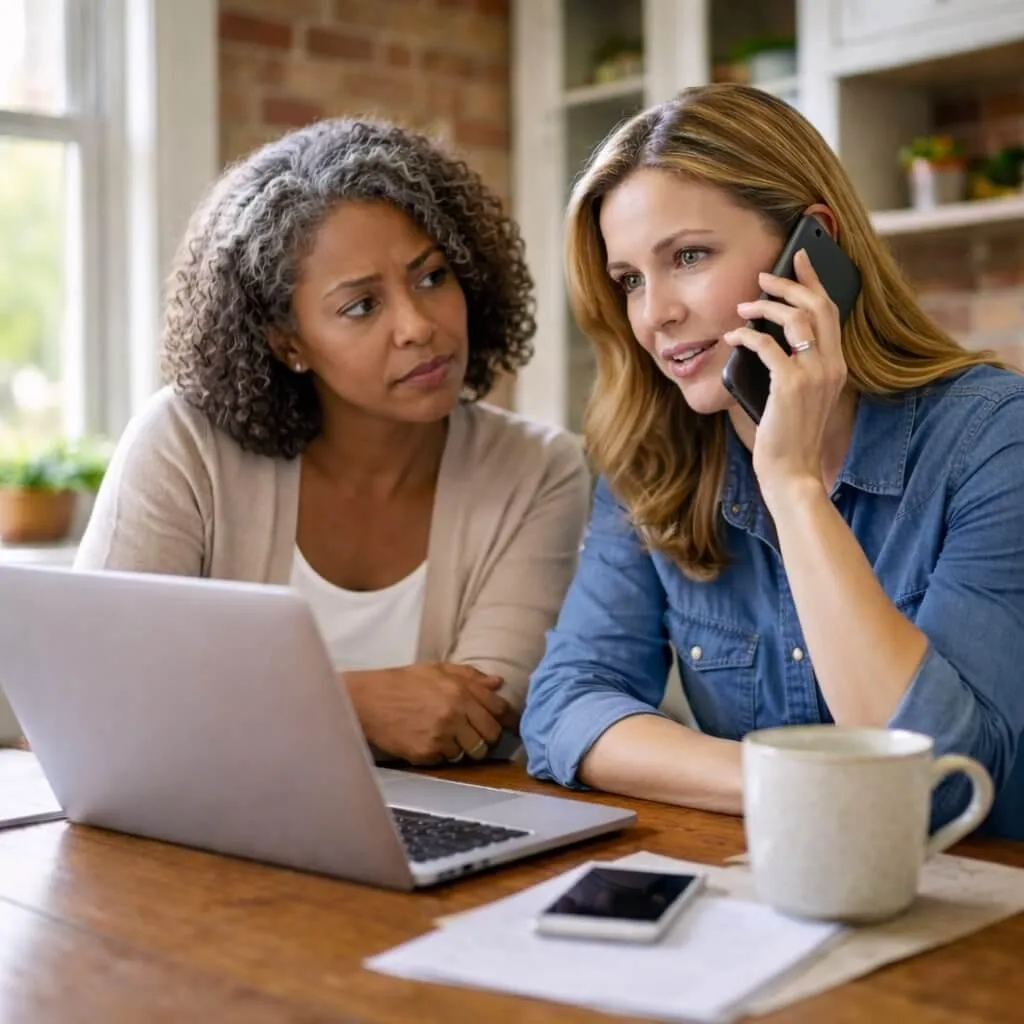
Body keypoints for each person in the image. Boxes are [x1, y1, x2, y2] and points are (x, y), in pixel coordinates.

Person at [520, 84, 1024, 839]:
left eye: (689, 256)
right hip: (772, 881)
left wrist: (792, 487)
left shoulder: (992, 438)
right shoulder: (653, 459)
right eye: (630, 280)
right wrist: (789, 783)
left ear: (811, 251)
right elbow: (566, 706)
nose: (655, 314)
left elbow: (942, 786)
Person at [76, 117, 591, 768]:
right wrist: (353, 703)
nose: (417, 325)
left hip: (443, 821)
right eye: (361, 306)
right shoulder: (186, 445)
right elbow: (97, 697)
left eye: (432, 277)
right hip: (197, 822)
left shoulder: (540, 469)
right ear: (286, 342)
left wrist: (226, 706)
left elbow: (476, 719)